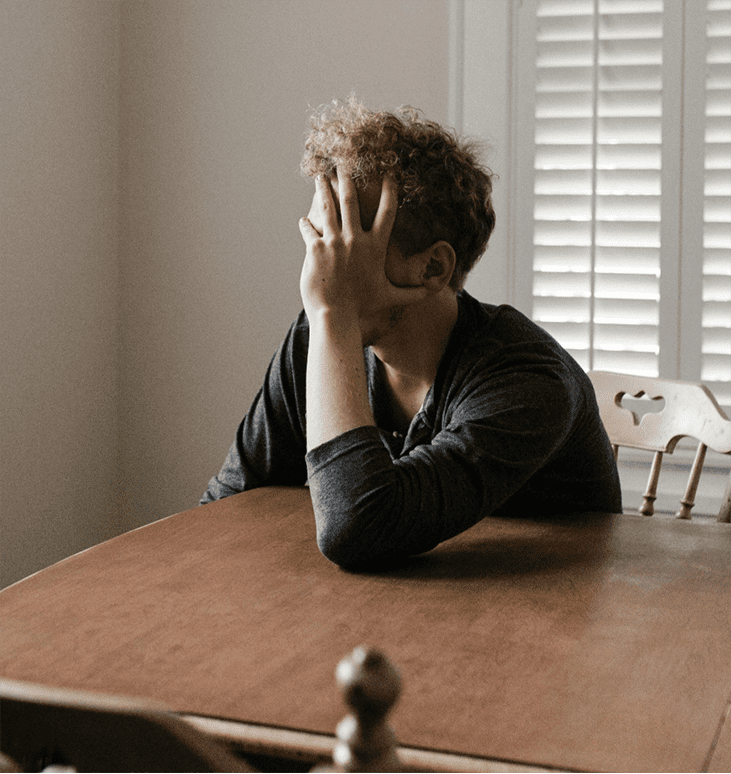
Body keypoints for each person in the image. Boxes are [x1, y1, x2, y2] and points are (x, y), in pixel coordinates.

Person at [201, 96, 622, 569]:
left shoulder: (529, 379)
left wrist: (334, 316)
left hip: (551, 620)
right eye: (319, 240)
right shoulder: (318, 337)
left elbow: (357, 528)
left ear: (433, 267)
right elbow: (225, 508)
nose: (319, 270)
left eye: (346, 243)